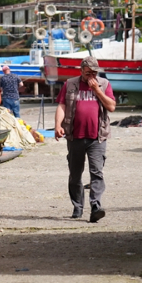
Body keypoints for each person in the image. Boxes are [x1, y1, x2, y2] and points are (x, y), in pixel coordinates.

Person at [54, 55, 115, 223]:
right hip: (75, 136)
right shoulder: (70, 84)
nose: (91, 76)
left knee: (97, 173)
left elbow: (111, 106)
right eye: (88, 73)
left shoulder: (104, 84)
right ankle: (78, 207)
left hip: (97, 137)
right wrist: (58, 125)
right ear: (81, 71)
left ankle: (95, 207)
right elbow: (62, 105)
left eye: (94, 73)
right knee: (75, 174)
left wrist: (97, 90)